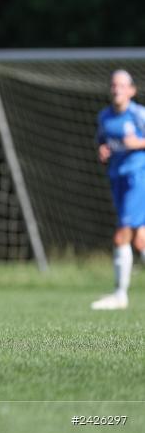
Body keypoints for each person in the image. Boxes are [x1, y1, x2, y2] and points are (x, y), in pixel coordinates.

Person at [91, 70, 145, 310]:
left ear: (132, 90)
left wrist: (138, 143)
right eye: (114, 85)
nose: (117, 89)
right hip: (118, 179)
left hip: (138, 178)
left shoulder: (139, 114)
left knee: (121, 234)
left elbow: (136, 143)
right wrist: (103, 151)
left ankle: (120, 296)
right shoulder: (105, 116)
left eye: (122, 85)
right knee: (141, 240)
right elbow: (103, 142)